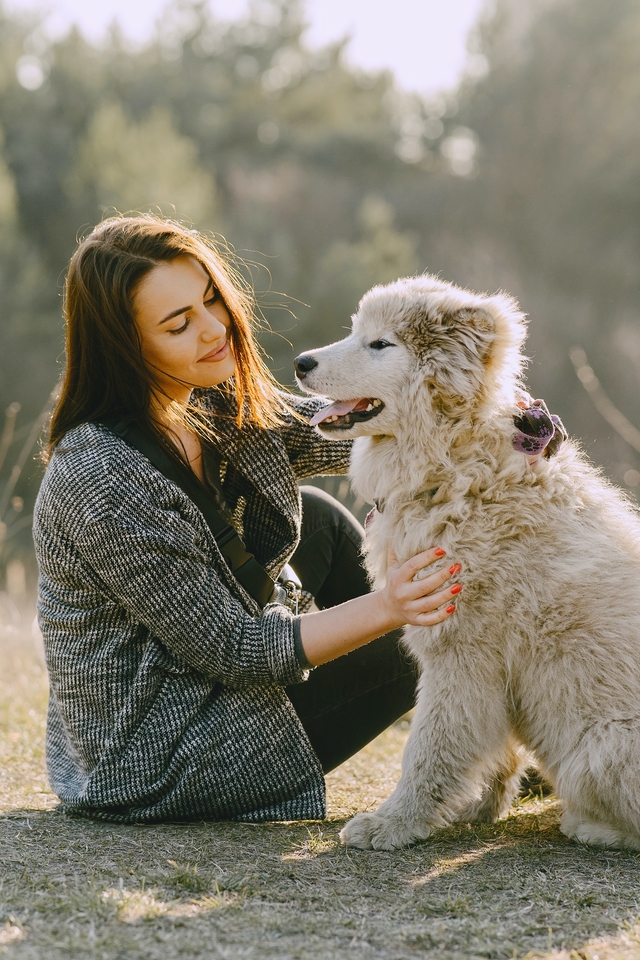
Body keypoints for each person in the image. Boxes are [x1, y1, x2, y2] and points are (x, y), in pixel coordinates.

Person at [33, 215, 559, 824]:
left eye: (211, 300)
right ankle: (492, 740)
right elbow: (235, 650)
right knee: (439, 629)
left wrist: (505, 418)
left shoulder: (207, 397)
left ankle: (495, 742)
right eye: (179, 324)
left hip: (216, 672)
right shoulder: (100, 477)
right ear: (126, 348)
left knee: (324, 522)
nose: (214, 330)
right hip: (158, 746)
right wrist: (389, 607)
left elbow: (367, 430)